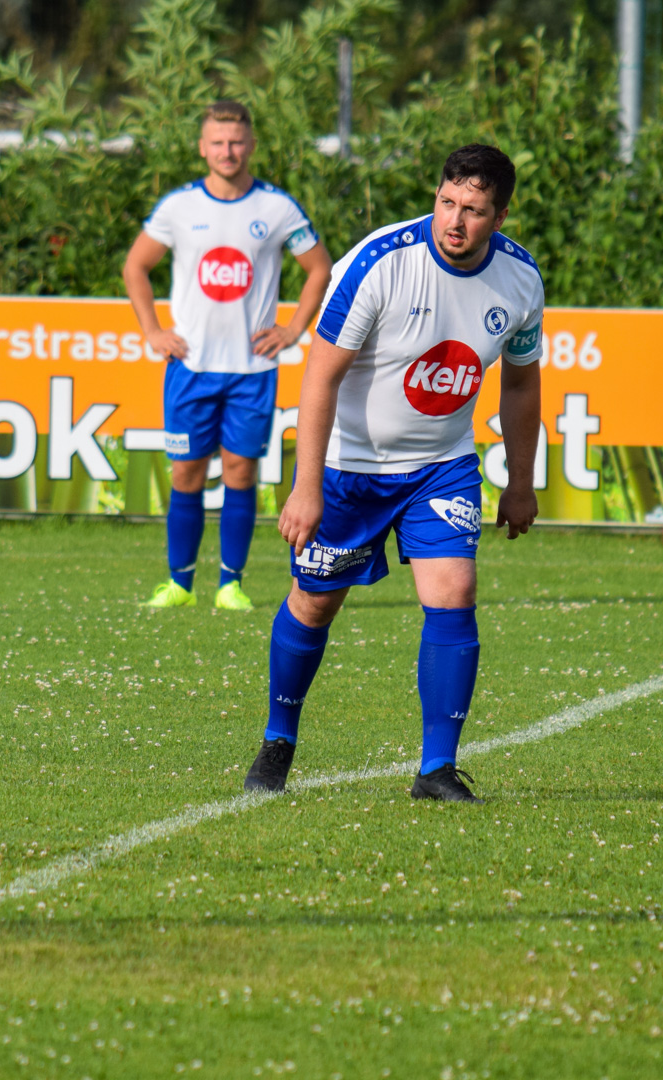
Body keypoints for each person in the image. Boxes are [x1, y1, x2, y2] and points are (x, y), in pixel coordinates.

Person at [240, 144, 544, 803]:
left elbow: (521, 386)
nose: (455, 220)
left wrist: (521, 482)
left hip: (442, 466)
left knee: (454, 594)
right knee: (314, 602)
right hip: (351, 467)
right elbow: (320, 375)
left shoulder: (520, 279)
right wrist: (307, 485)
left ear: (500, 217)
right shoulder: (380, 262)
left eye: (474, 210)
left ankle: (437, 769)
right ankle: (278, 738)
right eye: (447, 202)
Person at [123, 100, 333, 613]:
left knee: (240, 472)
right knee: (186, 474)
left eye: (236, 141)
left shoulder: (277, 208)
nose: (228, 151)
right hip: (190, 367)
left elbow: (319, 269)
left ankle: (230, 584)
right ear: (202, 148)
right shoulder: (178, 207)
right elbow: (136, 267)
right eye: (218, 142)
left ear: (251, 145)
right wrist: (153, 331)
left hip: (251, 369)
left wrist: (292, 329)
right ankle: (179, 584)